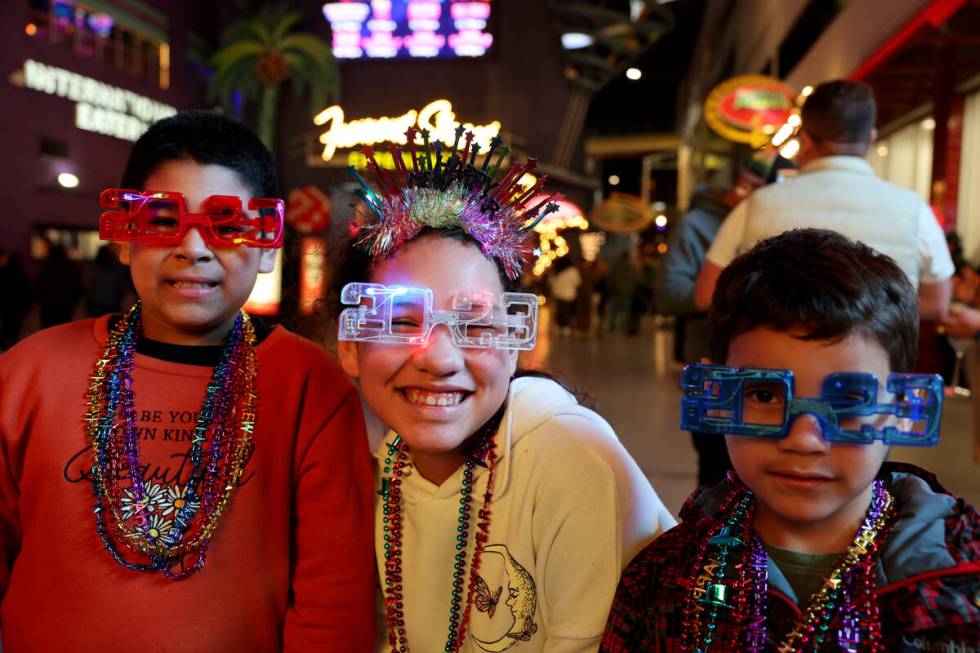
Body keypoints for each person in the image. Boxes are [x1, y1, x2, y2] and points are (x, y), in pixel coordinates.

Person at [0, 111, 375, 651]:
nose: (194, 248)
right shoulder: (28, 374)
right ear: (124, 237)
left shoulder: (310, 388)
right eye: (162, 221)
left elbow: (333, 601)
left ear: (268, 244)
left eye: (226, 224)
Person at [333, 128, 675, 652]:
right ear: (351, 345)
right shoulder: (383, 469)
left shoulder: (567, 453)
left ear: (515, 343)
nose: (440, 358)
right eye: (402, 321)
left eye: (474, 324)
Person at [602, 229, 979, 651]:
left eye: (850, 398)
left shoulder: (961, 588)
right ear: (719, 395)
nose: (804, 440)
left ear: (898, 407)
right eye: (764, 394)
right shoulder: (663, 576)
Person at [694, 80, 955, 322]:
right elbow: (938, 304)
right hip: (873, 368)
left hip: (777, 366)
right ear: (871, 139)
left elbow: (706, 295)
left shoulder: (756, 205)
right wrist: (862, 315)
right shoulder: (913, 208)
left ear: (805, 139)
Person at [35, 240, 82, 327]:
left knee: (48, 329)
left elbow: (39, 285)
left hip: (48, 304)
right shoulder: (70, 267)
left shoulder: (46, 267)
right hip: (65, 304)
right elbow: (77, 286)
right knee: (62, 329)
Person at [85, 244, 131, 317]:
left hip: (98, 302)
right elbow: (123, 286)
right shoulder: (116, 268)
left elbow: (87, 284)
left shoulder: (94, 269)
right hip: (109, 303)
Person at [0, 248, 32, 350]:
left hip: (5, 307)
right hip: (18, 308)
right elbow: (28, 292)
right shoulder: (22, 274)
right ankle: (12, 349)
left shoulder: (4, 273)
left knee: (5, 328)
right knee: (14, 331)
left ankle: (5, 350)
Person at [548, 255, 581, 335]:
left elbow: (551, 282)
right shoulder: (573, 271)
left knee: (560, 311)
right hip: (569, 294)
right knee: (567, 311)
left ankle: (560, 326)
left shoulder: (556, 271)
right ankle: (566, 327)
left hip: (558, 294)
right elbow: (578, 282)